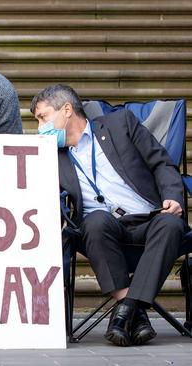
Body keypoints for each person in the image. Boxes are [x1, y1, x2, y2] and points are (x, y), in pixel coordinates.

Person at [30, 84, 186, 347]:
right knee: (95, 220)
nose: (39, 127)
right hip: (101, 229)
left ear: (66, 110)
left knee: (171, 224)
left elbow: (161, 162)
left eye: (43, 117)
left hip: (149, 216)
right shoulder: (49, 155)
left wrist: (173, 196)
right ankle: (133, 311)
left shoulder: (120, 125)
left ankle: (125, 312)